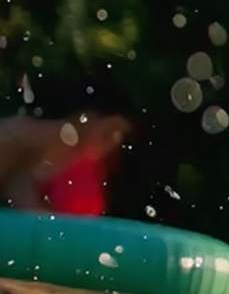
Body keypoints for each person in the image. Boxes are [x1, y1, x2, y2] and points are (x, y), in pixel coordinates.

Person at [0, 76, 133, 215]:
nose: (115, 140)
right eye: (110, 131)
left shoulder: (63, 152)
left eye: (121, 135)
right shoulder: (41, 136)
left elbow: (18, 189)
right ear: (85, 117)